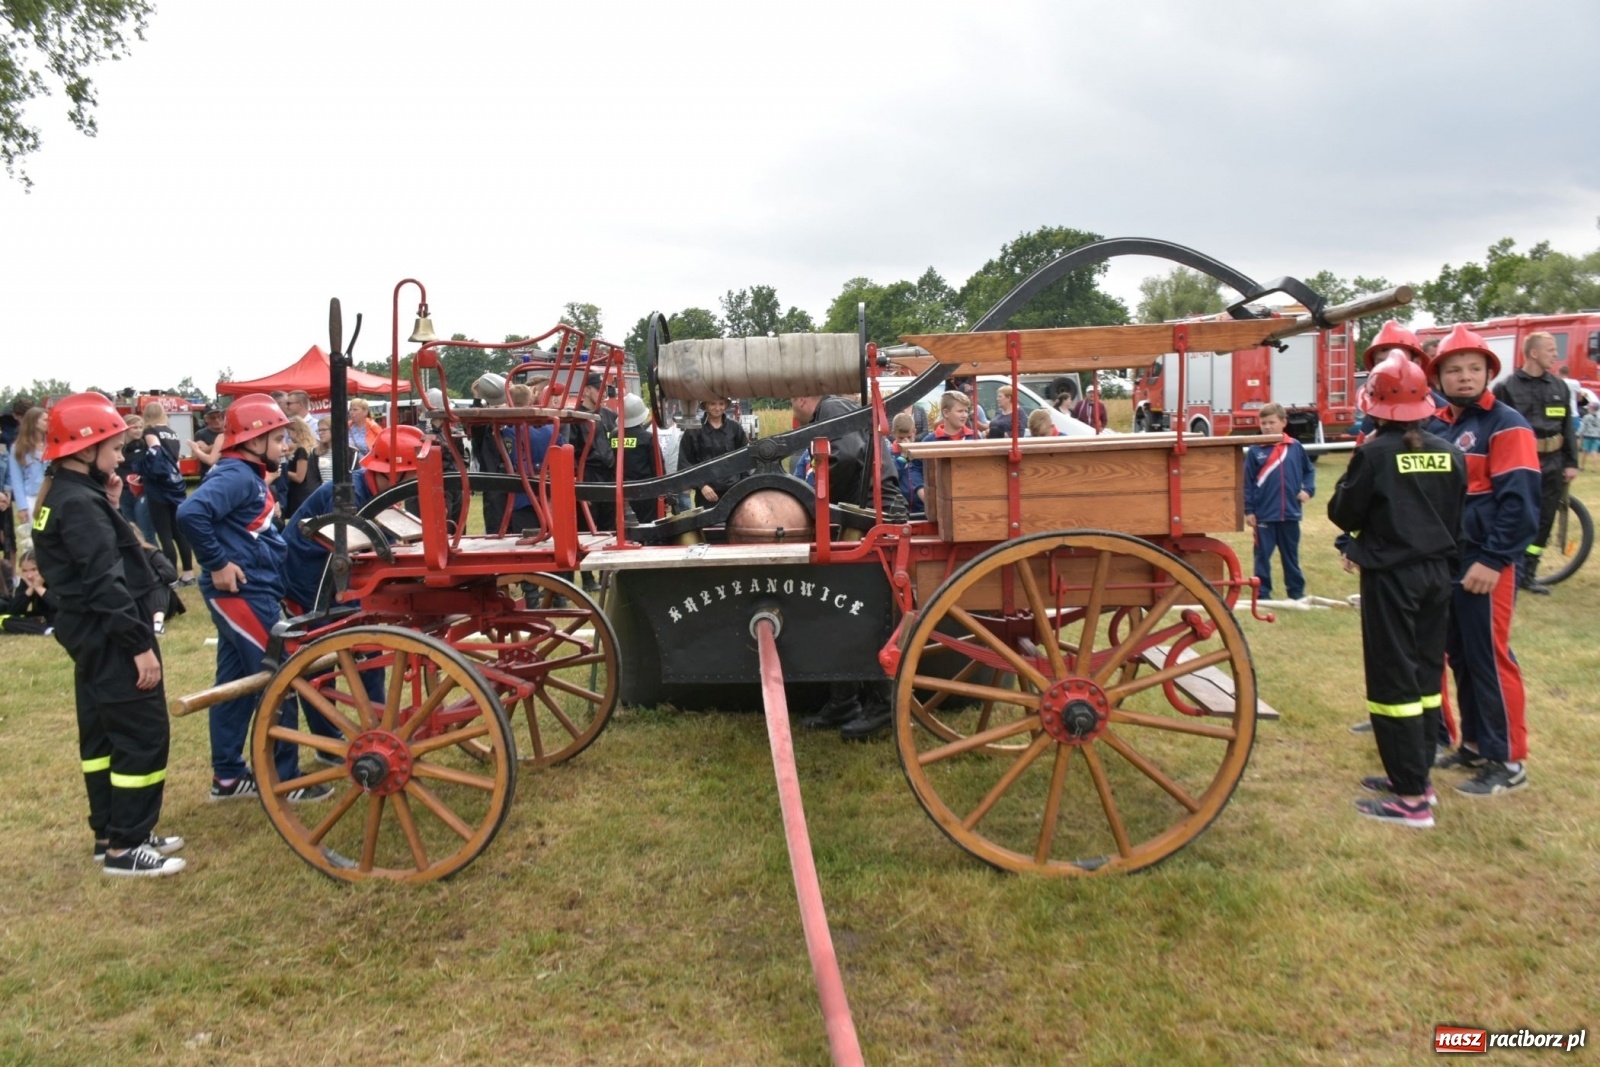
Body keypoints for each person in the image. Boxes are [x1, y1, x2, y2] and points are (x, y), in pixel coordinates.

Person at [30, 392, 185, 876]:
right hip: (112, 633)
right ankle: (127, 847)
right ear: (82, 450)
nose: (121, 456)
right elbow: (103, 580)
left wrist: (112, 500)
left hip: (88, 633)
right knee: (142, 735)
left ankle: (111, 832)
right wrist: (138, 645)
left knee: (102, 737)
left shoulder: (68, 496)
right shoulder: (78, 504)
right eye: (114, 448)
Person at [1327, 355, 1466, 829]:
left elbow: (1343, 512)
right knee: (1426, 679)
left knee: (1393, 685)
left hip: (1392, 578)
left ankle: (1410, 800)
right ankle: (1417, 777)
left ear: (1376, 406)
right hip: (1436, 576)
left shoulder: (1374, 454)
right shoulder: (1452, 453)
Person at [177, 393, 332, 804]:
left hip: (253, 589)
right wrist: (218, 562)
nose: (286, 446)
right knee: (282, 676)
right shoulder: (235, 476)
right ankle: (284, 778)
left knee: (235, 684)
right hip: (243, 593)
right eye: (279, 438)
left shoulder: (243, 474)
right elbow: (190, 515)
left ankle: (228, 778)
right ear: (252, 440)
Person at [1428, 326, 1540, 797]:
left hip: (1484, 561)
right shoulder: (1438, 426)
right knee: (1460, 655)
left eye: (1475, 369)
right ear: (1439, 377)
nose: (1465, 377)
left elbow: (1521, 502)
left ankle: (1508, 760)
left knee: (1491, 658)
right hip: (1450, 559)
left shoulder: (1507, 423)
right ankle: (1474, 743)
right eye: (1454, 370)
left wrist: (1493, 559)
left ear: (1489, 373)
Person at [789, 391, 905, 740]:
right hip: (867, 509)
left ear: (802, 396)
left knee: (860, 608)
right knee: (836, 603)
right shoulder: (836, 407)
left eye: (791, 399)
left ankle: (882, 702)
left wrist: (814, 503)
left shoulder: (832, 408)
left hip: (873, 513)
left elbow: (848, 456)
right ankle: (844, 701)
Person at [1492, 331, 1578, 594]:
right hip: (1520, 462)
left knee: (1544, 519)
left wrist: (1570, 462)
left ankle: (1528, 574)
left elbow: (1567, 427)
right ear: (1533, 353)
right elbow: (1494, 427)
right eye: (1551, 349)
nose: (1555, 354)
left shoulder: (1559, 386)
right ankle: (1509, 570)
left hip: (1552, 462)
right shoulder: (1506, 387)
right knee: (1515, 515)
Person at [1244, 403, 1315, 601]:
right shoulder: (1255, 451)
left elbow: (1309, 471)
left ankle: (1296, 592)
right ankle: (1263, 593)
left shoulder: (1295, 447)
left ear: (1283, 422)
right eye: (1263, 423)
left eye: (1271, 422)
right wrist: (1249, 510)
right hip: (1264, 515)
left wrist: (1308, 490)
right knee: (1262, 557)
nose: (1267, 427)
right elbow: (1247, 482)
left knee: (1291, 556)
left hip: (1290, 513)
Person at [137, 403, 196, 584]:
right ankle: (188, 573)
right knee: (178, 531)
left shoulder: (150, 431)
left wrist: (143, 468)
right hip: (175, 485)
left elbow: (155, 451)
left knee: (164, 533)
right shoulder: (172, 432)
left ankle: (170, 578)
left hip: (158, 487)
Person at [502, 382, 556, 534]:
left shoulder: (511, 431)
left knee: (526, 539)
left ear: (509, 403)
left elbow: (516, 461)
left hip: (524, 496)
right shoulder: (551, 428)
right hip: (549, 492)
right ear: (531, 400)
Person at [679, 395, 749, 508]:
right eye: (713, 404)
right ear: (706, 405)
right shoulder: (694, 431)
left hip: (733, 492)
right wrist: (702, 485)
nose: (717, 408)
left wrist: (741, 487)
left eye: (721, 404)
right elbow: (685, 462)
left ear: (726, 405)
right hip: (706, 495)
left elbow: (746, 459)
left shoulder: (735, 429)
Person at [611, 393, 661, 523]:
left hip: (620, 490)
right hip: (646, 491)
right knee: (649, 526)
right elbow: (658, 467)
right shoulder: (648, 438)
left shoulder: (613, 436)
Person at [7, 406, 48, 533]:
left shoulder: (52, 444)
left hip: (53, 495)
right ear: (34, 423)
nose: (49, 423)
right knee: (40, 533)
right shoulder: (18, 448)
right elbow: (16, 479)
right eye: (45, 420)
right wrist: (22, 507)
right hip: (34, 499)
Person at [0, 549, 58, 634]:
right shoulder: (26, 582)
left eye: (34, 569)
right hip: (42, 619)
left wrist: (39, 588)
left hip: (61, 619)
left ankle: (46, 629)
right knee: (5, 619)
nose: (29, 575)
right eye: (25, 571)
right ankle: (47, 630)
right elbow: (14, 611)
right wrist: (30, 589)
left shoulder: (56, 579)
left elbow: (61, 606)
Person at [282, 416, 322, 518]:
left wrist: (283, 470)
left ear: (296, 431)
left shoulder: (302, 451)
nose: (289, 437)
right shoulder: (308, 447)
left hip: (300, 493)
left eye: (289, 433)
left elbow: (299, 477)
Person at [190, 403, 226, 474]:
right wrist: (221, 445)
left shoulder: (229, 432)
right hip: (207, 474)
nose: (217, 420)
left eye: (219, 417)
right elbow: (194, 455)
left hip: (225, 472)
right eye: (213, 417)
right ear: (206, 419)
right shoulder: (200, 434)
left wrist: (207, 448)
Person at [1580, 402, 1600, 471]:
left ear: (1592, 409)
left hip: (1587, 436)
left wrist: (1579, 434)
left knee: (1584, 451)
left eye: (1589, 408)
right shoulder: (1599, 417)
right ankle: (1594, 468)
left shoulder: (1586, 417)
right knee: (1594, 451)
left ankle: (1582, 466)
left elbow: (1583, 427)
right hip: (1596, 436)